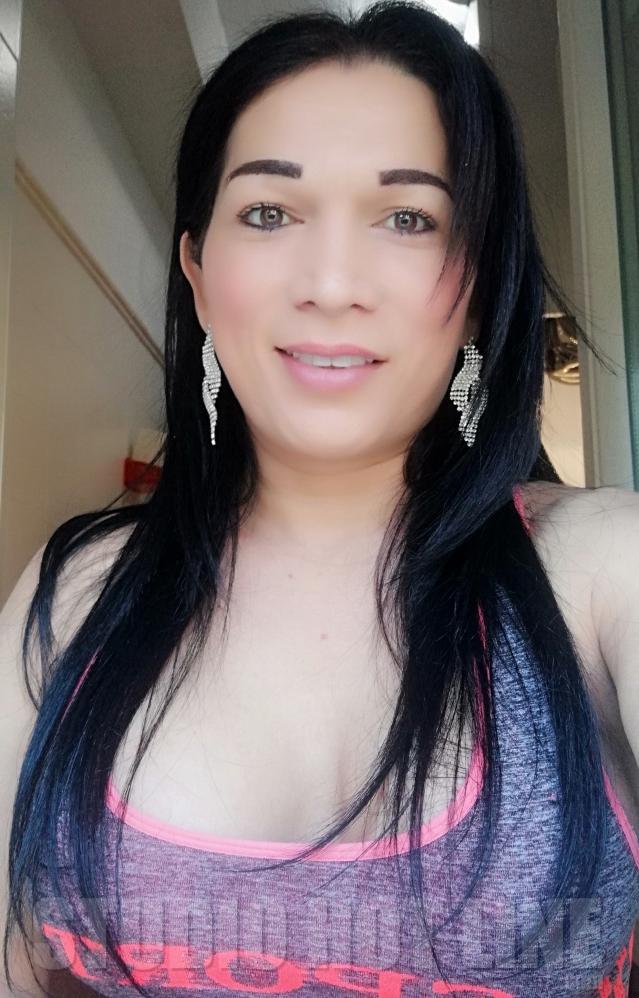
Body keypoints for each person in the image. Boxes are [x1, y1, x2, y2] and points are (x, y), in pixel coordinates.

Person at [2, 1, 638, 995]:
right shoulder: (79, 587)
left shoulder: (604, 570)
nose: (332, 284)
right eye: (268, 212)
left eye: (408, 218)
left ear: (477, 286)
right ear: (198, 273)